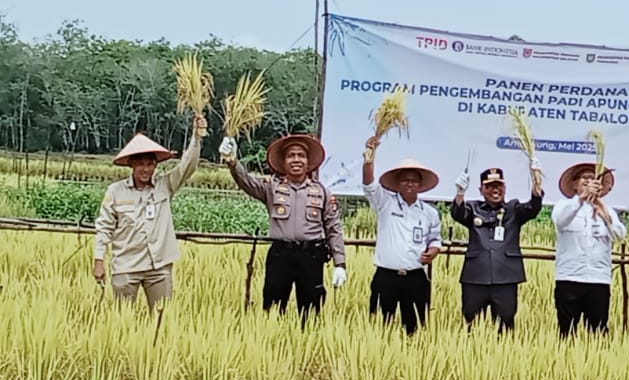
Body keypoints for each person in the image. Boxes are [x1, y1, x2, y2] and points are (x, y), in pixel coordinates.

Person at [220, 134, 346, 325]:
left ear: (308, 161)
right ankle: (273, 348)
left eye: (301, 155)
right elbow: (246, 181)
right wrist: (232, 162)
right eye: (291, 155)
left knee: (311, 312)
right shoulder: (272, 188)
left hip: (311, 256)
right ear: (284, 161)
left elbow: (333, 228)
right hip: (281, 255)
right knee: (273, 308)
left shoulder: (321, 192)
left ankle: (307, 348)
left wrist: (340, 264)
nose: (296, 160)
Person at [93, 117, 207, 307]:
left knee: (162, 319)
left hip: (159, 267)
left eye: (150, 164)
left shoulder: (165, 186)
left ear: (155, 165)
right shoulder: (115, 191)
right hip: (126, 266)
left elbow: (187, 166)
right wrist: (98, 260)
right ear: (132, 165)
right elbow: (104, 227)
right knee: (122, 321)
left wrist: (196, 137)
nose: (146, 169)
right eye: (141, 164)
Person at [361, 137, 442, 336]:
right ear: (397, 183)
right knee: (380, 326)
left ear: (420, 184)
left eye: (414, 180)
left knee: (413, 328)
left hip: (415, 277)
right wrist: (369, 158)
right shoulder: (384, 203)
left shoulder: (429, 212)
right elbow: (369, 184)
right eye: (405, 180)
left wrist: (432, 252)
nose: (409, 184)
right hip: (386, 276)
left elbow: (435, 239)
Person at [450, 162, 544, 332]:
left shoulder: (513, 209)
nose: (495, 190)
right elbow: (458, 214)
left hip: (505, 278)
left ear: (505, 187)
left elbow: (533, 208)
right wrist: (460, 193)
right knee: (471, 323)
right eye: (489, 186)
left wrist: (536, 184)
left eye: (499, 185)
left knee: (506, 324)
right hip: (476, 277)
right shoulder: (473, 208)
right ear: (481, 190)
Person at [551, 162, 626, 337]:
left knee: (598, 331)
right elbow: (561, 221)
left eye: (593, 179)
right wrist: (582, 199)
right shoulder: (564, 205)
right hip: (569, 278)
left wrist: (606, 216)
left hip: (598, 280)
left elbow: (619, 236)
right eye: (585, 178)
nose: (589, 182)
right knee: (567, 332)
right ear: (574, 184)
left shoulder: (608, 210)